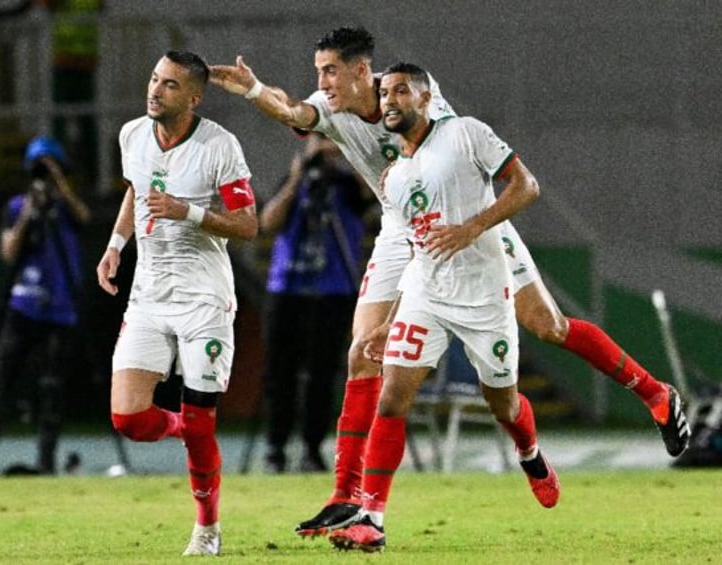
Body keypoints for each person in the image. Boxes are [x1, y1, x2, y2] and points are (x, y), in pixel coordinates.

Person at [209, 26, 691, 535]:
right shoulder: (331, 107)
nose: (322, 83)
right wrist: (254, 90)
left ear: (360, 71)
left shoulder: (412, 93)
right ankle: (348, 497)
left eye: (329, 71)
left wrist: (468, 225)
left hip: (466, 216)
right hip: (403, 227)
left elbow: (456, 155)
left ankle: (656, 394)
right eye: (318, 73)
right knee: (361, 353)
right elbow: (293, 111)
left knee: (547, 326)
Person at [329, 62, 553, 551]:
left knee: (504, 403)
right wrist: (388, 320)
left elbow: (526, 186)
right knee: (392, 396)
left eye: (402, 91)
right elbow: (414, 250)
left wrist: (472, 227)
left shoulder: (467, 134)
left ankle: (529, 451)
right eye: (384, 93)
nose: (390, 100)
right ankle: (372, 517)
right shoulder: (393, 179)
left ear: (428, 99)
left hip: (484, 293)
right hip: (427, 295)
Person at [95, 50, 257, 557]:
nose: (155, 90)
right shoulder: (131, 134)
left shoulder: (218, 147)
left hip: (203, 299)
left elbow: (248, 224)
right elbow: (135, 192)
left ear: (193, 97)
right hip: (148, 295)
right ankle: (190, 427)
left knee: (202, 417)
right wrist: (115, 246)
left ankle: (206, 529)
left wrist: (188, 213)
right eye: (153, 78)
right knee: (128, 418)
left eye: (168, 85)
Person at [0, 135, 92, 476]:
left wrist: (61, 188)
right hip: (23, 307)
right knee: (0, 382)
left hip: (61, 309)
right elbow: (9, 253)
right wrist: (27, 213)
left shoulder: (66, 208)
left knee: (52, 385)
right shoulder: (16, 206)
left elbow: (85, 218)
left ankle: (46, 462)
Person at [260, 133, 374, 474]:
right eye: (317, 139)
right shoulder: (296, 179)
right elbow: (268, 222)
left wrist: (346, 155)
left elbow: (370, 196)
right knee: (279, 372)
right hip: (287, 289)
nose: (322, 146)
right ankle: (275, 447)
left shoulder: (347, 185)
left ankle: (313, 447)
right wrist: (296, 179)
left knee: (322, 373)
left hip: (335, 290)